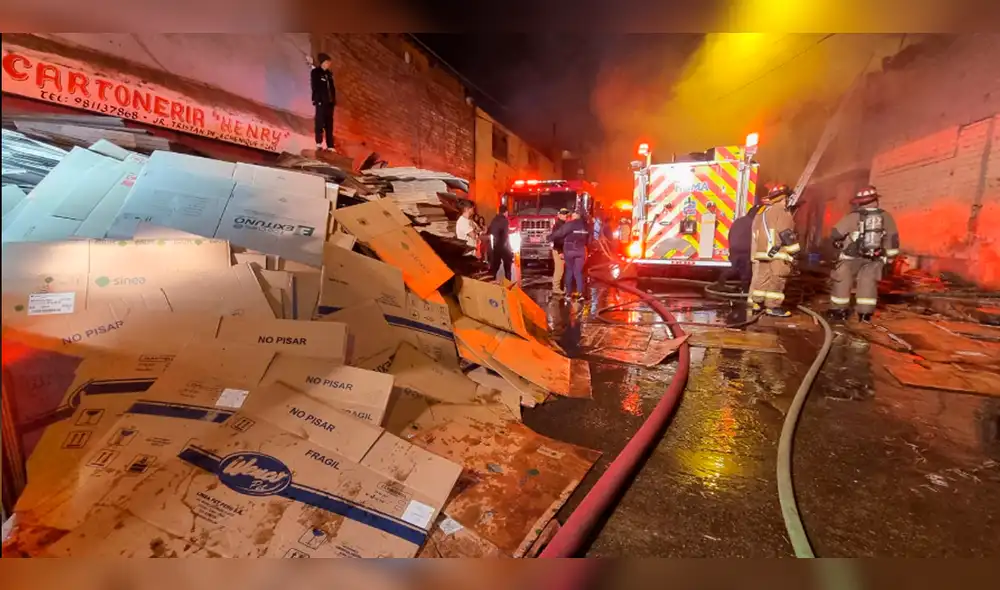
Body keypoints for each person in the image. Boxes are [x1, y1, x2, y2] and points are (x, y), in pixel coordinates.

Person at [827, 185, 900, 323]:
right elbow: (893, 240)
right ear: (876, 200)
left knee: (842, 281)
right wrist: (889, 260)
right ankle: (865, 315)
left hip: (850, 258)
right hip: (875, 258)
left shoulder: (852, 217)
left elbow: (835, 233)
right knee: (868, 284)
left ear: (859, 202)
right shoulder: (887, 217)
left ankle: (839, 311)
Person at [749, 184, 801, 317]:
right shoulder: (782, 212)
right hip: (777, 252)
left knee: (763, 277)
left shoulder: (763, 212)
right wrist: (795, 252)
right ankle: (773, 306)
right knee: (778, 278)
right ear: (785, 198)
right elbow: (786, 233)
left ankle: (757, 303)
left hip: (763, 252)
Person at [716, 202, 762, 294]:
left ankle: (721, 282)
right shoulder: (754, 223)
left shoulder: (738, 221)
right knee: (746, 272)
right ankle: (745, 291)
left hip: (734, 249)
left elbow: (730, 234)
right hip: (745, 250)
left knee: (734, 268)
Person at [549, 209, 590, 301]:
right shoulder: (586, 226)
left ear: (576, 216)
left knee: (569, 271)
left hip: (569, 250)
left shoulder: (570, 224)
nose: (570, 216)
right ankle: (580, 294)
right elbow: (590, 240)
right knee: (578, 272)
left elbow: (560, 233)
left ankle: (568, 294)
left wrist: (549, 237)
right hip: (581, 251)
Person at [311, 53, 336, 151]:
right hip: (321, 102)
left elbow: (332, 89)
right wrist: (318, 99)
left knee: (329, 124)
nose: (328, 65)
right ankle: (319, 143)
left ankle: (330, 145)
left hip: (329, 103)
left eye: (329, 63)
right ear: (322, 62)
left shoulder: (329, 75)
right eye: (326, 62)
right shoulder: (316, 72)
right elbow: (315, 87)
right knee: (320, 122)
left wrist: (333, 101)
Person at [487, 206, 514, 282]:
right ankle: (508, 285)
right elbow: (505, 235)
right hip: (503, 247)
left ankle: (490, 282)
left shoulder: (494, 220)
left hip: (495, 246)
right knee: (507, 268)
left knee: (494, 267)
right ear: (505, 212)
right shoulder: (504, 220)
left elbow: (491, 231)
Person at [550, 208, 569, 294]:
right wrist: (560, 252)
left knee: (561, 270)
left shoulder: (562, 225)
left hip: (561, 250)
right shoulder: (559, 225)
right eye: (563, 214)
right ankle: (556, 288)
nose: (565, 216)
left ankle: (560, 287)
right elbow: (557, 240)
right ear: (559, 215)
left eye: (566, 214)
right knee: (559, 270)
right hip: (558, 250)